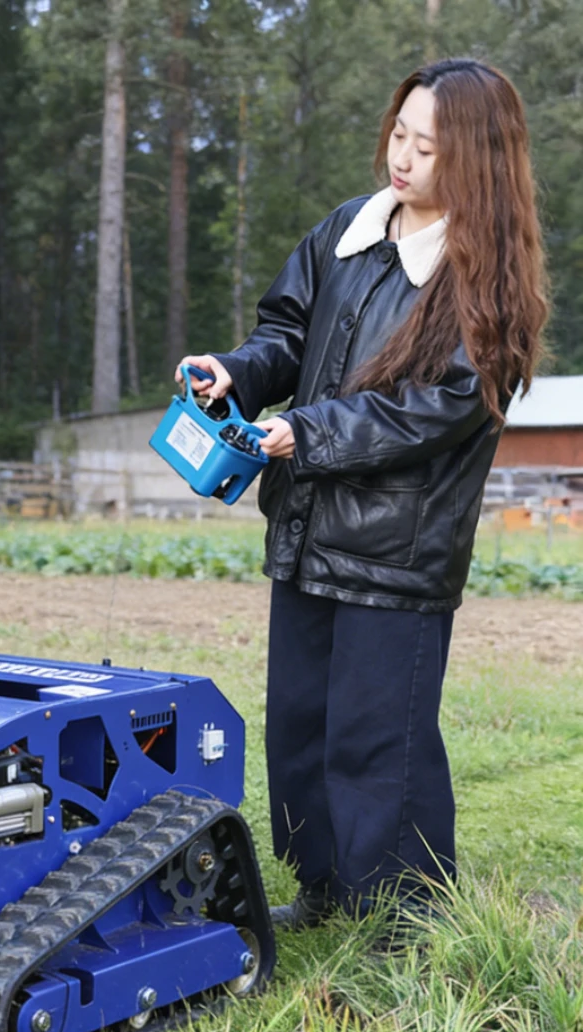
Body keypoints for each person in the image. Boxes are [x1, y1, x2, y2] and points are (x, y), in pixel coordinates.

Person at [177, 58, 549, 927]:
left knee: (382, 746)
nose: (405, 158)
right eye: (399, 134)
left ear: (479, 161)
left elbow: (443, 406)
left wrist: (309, 432)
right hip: (307, 528)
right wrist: (233, 374)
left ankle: (404, 918)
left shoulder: (484, 274)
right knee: (302, 728)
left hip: (398, 554)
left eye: (430, 146)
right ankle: (324, 886)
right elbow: (285, 332)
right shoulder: (347, 229)